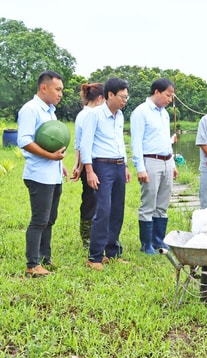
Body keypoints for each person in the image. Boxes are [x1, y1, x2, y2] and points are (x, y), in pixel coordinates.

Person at [17, 70, 68, 277]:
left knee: (50, 218)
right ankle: (32, 265)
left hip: (52, 173)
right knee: (39, 219)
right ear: (43, 87)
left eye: (62, 90)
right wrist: (49, 155)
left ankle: (45, 257)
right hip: (38, 175)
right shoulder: (31, 109)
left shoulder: (50, 110)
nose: (60, 94)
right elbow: (24, 140)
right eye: (57, 89)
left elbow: (51, 140)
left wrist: (59, 164)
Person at [80, 78, 131, 270]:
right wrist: (89, 170)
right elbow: (86, 144)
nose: (125, 100)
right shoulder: (94, 115)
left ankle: (112, 252)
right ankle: (94, 257)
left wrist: (125, 166)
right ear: (110, 95)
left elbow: (120, 142)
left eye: (127, 97)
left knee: (117, 209)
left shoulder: (120, 116)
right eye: (122, 97)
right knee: (103, 210)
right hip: (101, 166)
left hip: (118, 165)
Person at [130, 78, 178, 254]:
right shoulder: (141, 112)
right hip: (150, 161)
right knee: (148, 203)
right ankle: (146, 244)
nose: (169, 99)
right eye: (168, 95)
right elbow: (136, 142)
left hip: (166, 160)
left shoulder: (164, 113)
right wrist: (140, 168)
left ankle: (159, 240)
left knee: (162, 204)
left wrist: (172, 163)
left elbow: (166, 141)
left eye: (171, 96)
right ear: (156, 92)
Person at [71, 83, 105, 248]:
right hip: (91, 164)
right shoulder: (89, 115)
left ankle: (93, 236)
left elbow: (77, 145)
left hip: (91, 163)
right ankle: (87, 238)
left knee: (94, 200)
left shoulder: (82, 115)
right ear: (100, 99)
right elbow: (82, 144)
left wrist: (77, 165)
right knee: (91, 201)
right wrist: (81, 167)